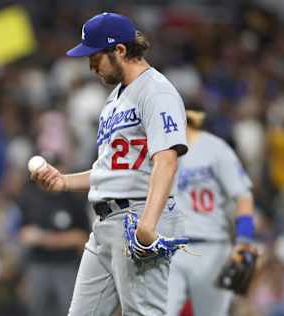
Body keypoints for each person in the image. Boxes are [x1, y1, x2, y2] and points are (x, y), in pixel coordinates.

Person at [31, 12, 189, 316]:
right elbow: (112, 170)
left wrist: (148, 223)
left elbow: (167, 159)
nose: (90, 65)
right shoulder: (114, 99)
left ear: (120, 50)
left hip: (137, 215)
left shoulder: (156, 91)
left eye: (95, 56)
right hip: (104, 224)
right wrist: (64, 181)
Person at [166, 105, 257, 316]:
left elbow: (243, 196)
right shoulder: (158, 150)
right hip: (170, 249)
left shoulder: (216, 149)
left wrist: (244, 239)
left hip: (212, 248)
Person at [17, 158, 90, 316]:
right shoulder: (29, 197)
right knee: (35, 311)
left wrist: (45, 239)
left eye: (55, 164)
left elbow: (83, 238)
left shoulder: (73, 199)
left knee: (70, 312)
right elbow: (24, 236)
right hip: (38, 266)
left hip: (67, 266)